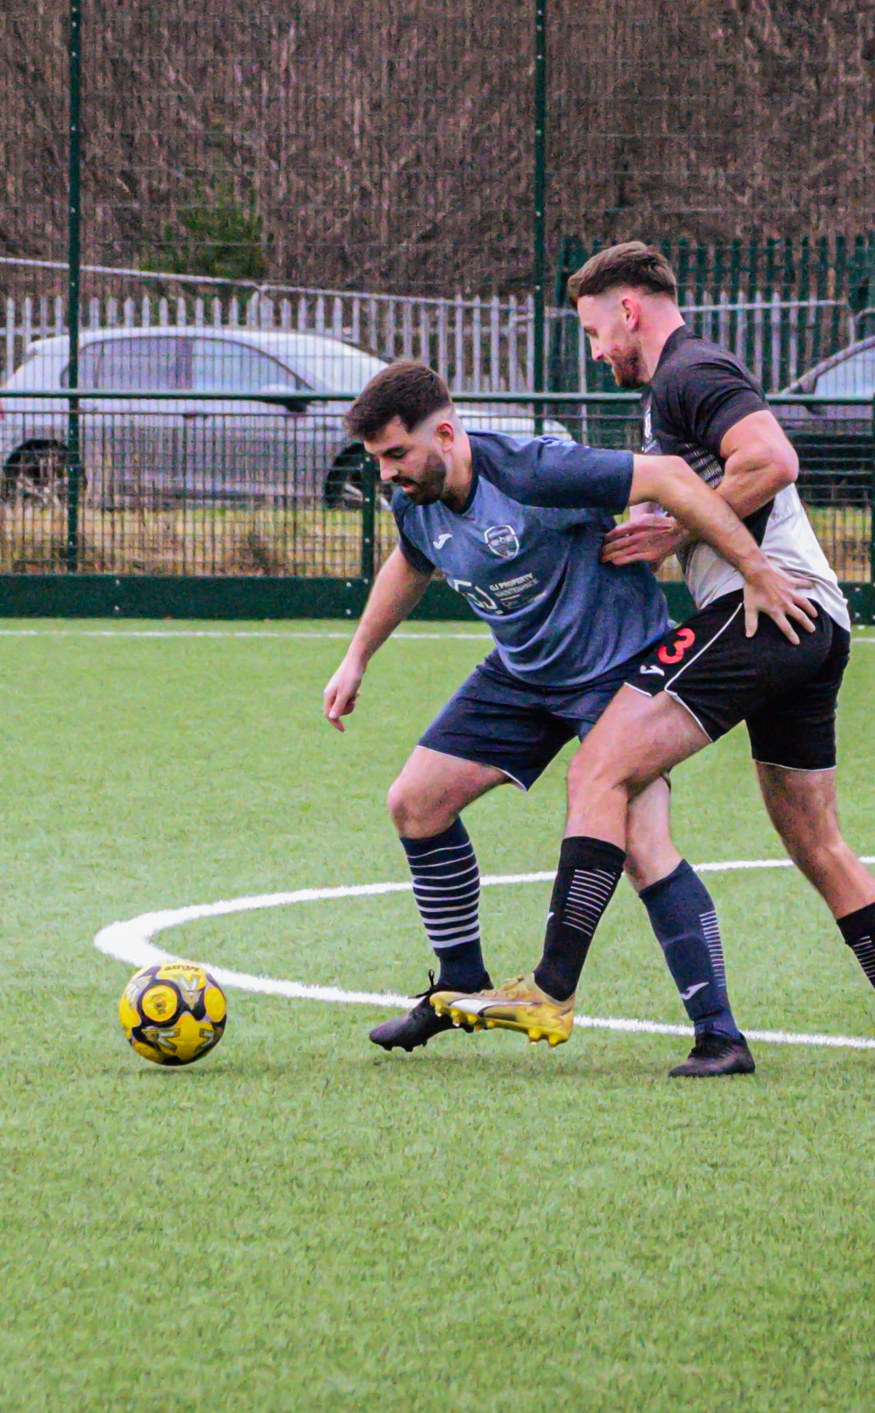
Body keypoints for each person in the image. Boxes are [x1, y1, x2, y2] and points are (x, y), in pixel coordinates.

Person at [508, 241, 875, 1069]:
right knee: (815, 842)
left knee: (598, 769)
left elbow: (772, 459)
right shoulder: (677, 384)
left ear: (628, 310)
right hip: (814, 623)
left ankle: (552, 987)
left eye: (593, 329)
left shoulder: (690, 370)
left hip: (763, 606)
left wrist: (679, 526)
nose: (595, 348)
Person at [323, 358, 816, 1078]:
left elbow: (673, 477)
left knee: (647, 847)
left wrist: (755, 569)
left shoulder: (536, 470)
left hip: (619, 675)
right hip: (521, 673)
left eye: (396, 454)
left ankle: (721, 1035)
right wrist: (356, 657)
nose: (387, 473)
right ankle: (459, 980)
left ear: (448, 434)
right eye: (377, 460)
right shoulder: (414, 498)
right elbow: (411, 562)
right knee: (415, 802)